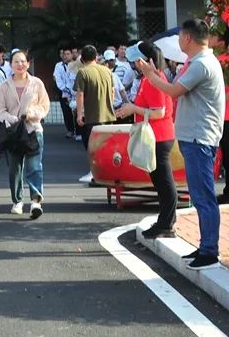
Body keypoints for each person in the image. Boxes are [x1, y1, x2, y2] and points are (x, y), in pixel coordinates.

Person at [136, 19, 225, 269]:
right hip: (195, 137)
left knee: (204, 197)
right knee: (200, 195)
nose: (178, 42)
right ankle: (206, 247)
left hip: (199, 138)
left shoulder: (202, 64)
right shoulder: (198, 62)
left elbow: (173, 91)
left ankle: (210, 251)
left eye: (180, 37)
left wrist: (150, 75)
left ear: (187, 38)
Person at [116, 40, 177, 238]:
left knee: (163, 182)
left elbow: (159, 111)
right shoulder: (148, 79)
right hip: (155, 135)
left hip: (159, 136)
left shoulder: (154, 79)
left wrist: (133, 108)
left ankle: (167, 223)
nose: (135, 65)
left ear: (144, 61)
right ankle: (165, 221)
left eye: (136, 61)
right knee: (160, 181)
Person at [0, 51, 50, 219]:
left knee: (35, 167)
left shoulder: (37, 83)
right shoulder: (4, 86)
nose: (20, 64)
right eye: (16, 61)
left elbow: (44, 106)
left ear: (28, 63)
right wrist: (12, 119)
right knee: (15, 168)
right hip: (13, 133)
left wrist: (31, 114)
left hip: (33, 130)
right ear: (10, 64)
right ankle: (17, 201)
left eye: (23, 61)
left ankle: (35, 201)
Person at [74, 45, 115, 181]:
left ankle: (94, 173)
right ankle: (107, 172)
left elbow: (80, 94)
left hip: (92, 116)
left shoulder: (82, 72)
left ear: (82, 59)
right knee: (107, 146)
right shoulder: (107, 71)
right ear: (96, 57)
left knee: (92, 147)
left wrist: (79, 114)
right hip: (108, 115)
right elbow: (113, 91)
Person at [53, 48, 77, 139]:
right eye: (64, 54)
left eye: (68, 54)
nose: (66, 56)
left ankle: (78, 130)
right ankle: (70, 130)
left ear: (72, 55)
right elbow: (57, 79)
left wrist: (71, 90)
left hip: (75, 91)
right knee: (66, 111)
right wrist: (65, 89)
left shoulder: (76, 65)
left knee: (77, 111)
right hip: (63, 91)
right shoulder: (58, 65)